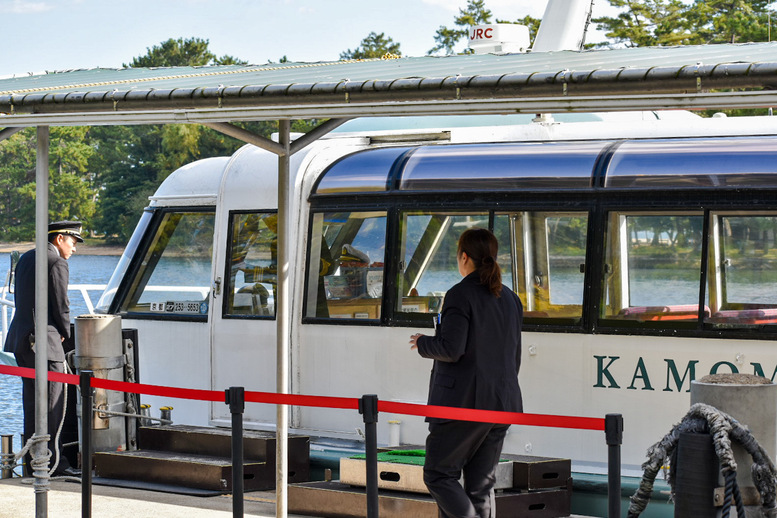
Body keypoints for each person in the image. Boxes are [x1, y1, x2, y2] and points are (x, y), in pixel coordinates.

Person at [409, 228, 523, 518]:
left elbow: (451, 348)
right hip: (502, 402)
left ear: (463, 256)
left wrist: (423, 343)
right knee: (481, 486)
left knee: (439, 475)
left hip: (462, 404)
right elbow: (514, 354)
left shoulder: (459, 294)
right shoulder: (510, 298)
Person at [3, 221, 83, 477]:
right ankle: (53, 463)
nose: (74, 248)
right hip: (44, 343)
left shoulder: (27, 258)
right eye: (73, 242)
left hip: (21, 339)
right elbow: (61, 305)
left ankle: (32, 464)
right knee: (52, 406)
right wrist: (66, 335)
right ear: (60, 238)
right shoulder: (56, 261)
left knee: (32, 405)